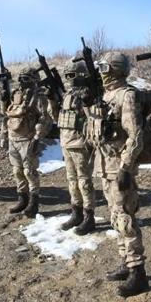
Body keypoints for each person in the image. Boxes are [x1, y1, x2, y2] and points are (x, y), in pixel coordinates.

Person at [85, 51, 148, 297]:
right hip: (105, 166)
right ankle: (126, 262)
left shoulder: (126, 95)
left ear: (115, 69)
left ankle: (138, 272)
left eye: (104, 68)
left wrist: (125, 167)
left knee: (125, 220)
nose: (101, 73)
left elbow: (135, 135)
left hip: (119, 167)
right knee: (115, 218)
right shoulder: (105, 95)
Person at [1, 66, 52, 217]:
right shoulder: (16, 94)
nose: (21, 81)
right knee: (17, 171)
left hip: (28, 139)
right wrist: (3, 101)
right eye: (20, 78)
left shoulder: (39, 96)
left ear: (34, 80)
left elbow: (44, 118)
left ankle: (33, 202)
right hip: (14, 138)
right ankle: (22, 199)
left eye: (25, 78)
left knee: (29, 172)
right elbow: (7, 113)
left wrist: (37, 137)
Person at [57, 60, 96, 234]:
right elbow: (58, 117)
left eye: (71, 75)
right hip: (66, 142)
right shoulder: (67, 94)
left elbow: (94, 118)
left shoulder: (88, 94)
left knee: (84, 181)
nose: (69, 79)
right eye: (66, 75)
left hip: (80, 143)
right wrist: (52, 100)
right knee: (72, 181)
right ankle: (76, 213)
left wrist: (87, 101)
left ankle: (89, 217)